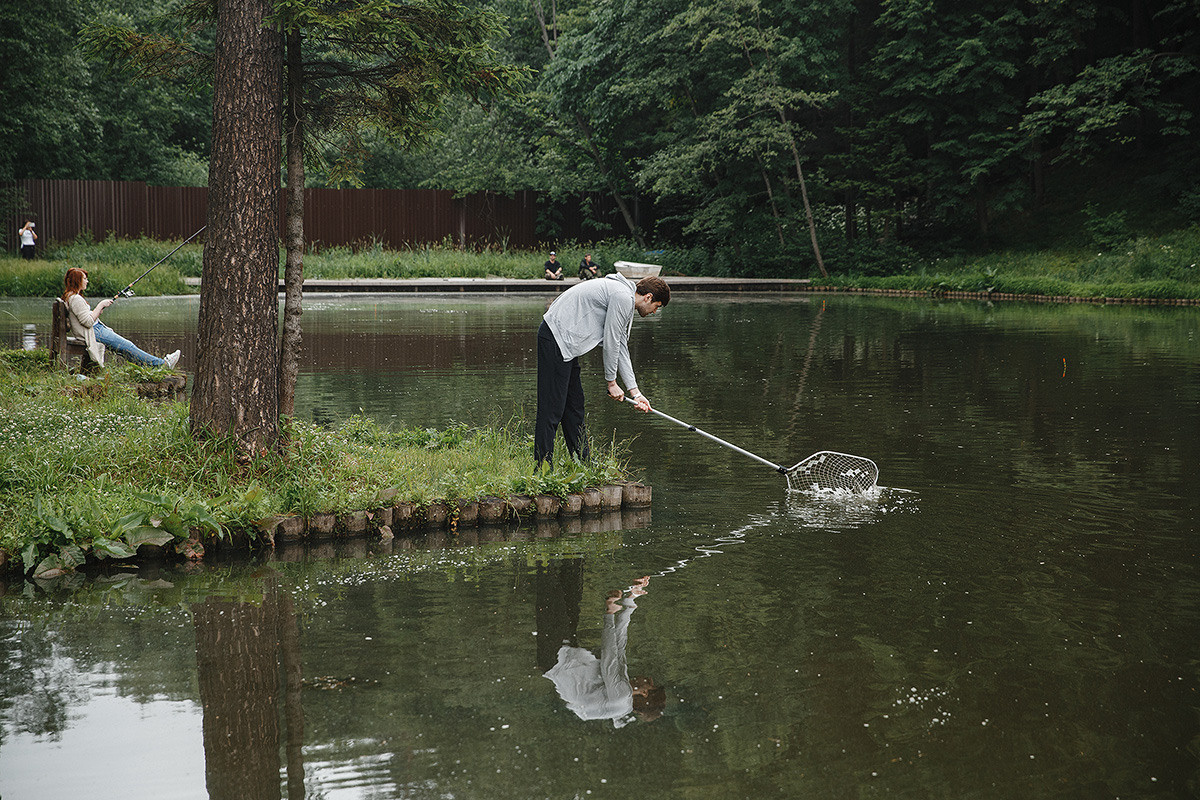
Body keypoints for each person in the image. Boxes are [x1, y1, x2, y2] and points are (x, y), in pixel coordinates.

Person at [535, 273, 669, 468]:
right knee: (552, 409)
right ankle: (541, 470)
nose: (654, 312)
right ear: (648, 297)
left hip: (567, 345)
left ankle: (585, 466)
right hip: (555, 337)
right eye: (656, 307)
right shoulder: (623, 297)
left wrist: (636, 392)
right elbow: (611, 341)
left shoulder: (624, 296)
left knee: (574, 408)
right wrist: (611, 383)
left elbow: (621, 344)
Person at [543, 577, 666, 727]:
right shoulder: (623, 700)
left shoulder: (622, 697)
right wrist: (631, 599)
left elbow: (610, 659)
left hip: (557, 658)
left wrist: (609, 613)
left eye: (651, 683)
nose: (649, 678)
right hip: (563, 655)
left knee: (551, 586)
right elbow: (619, 647)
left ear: (645, 692)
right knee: (568, 589)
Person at [62, 267, 181, 369]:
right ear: (77, 281)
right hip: (94, 332)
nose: (87, 281)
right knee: (127, 347)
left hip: (95, 330)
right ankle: (163, 364)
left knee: (126, 348)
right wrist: (100, 305)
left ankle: (154, 366)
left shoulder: (71, 296)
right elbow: (87, 322)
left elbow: (84, 317)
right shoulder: (76, 299)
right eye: (84, 279)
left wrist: (96, 312)